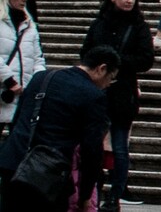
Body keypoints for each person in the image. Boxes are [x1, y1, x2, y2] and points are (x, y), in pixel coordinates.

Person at [0, 45, 119, 212]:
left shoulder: (41, 77)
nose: (107, 85)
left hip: (14, 163)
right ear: (102, 69)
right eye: (110, 79)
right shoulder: (93, 95)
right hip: (48, 176)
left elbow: (18, 119)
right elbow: (91, 150)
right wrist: (85, 197)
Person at [81, 0, 154, 211]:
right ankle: (92, 188)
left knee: (120, 145)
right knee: (92, 144)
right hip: (97, 91)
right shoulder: (100, 23)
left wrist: (116, 62)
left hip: (123, 91)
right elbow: (86, 52)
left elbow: (146, 59)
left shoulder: (139, 26)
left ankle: (115, 194)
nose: (130, 1)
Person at [0, 0, 43, 140]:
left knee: (20, 143)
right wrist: (10, 81)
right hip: (5, 89)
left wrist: (37, 81)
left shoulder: (29, 25)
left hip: (24, 93)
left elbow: (37, 57)